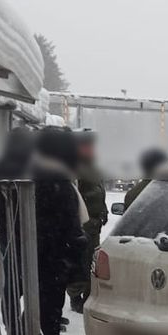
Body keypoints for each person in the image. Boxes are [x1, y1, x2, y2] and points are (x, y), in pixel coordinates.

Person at [29, 127, 86, 335]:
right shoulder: (54, 181)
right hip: (53, 251)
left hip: (47, 250)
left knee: (48, 300)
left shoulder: (41, 175)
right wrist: (74, 247)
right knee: (50, 302)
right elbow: (66, 220)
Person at [0, 127, 35, 335]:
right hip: (28, 235)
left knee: (13, 287)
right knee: (31, 285)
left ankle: (13, 333)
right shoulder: (32, 168)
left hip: (8, 235)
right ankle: (19, 332)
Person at [66, 131, 108, 313]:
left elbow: (100, 192)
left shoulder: (94, 167)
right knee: (79, 262)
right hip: (82, 225)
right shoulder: (75, 168)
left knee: (91, 263)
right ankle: (76, 296)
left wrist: (103, 211)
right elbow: (73, 196)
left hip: (94, 226)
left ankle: (88, 296)